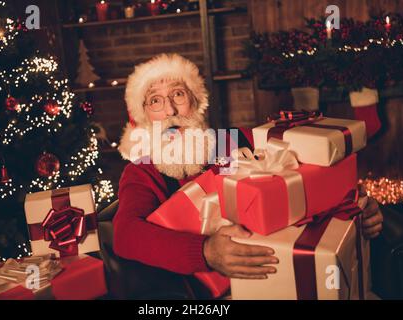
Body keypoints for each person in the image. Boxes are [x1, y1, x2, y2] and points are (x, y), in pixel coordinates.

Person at [113, 53, 383, 282]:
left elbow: (311, 172)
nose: (170, 110)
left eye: (178, 94)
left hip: (284, 269)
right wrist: (206, 251)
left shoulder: (238, 140)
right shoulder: (142, 170)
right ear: (145, 116)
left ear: (196, 102)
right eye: (155, 101)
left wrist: (355, 204)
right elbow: (125, 235)